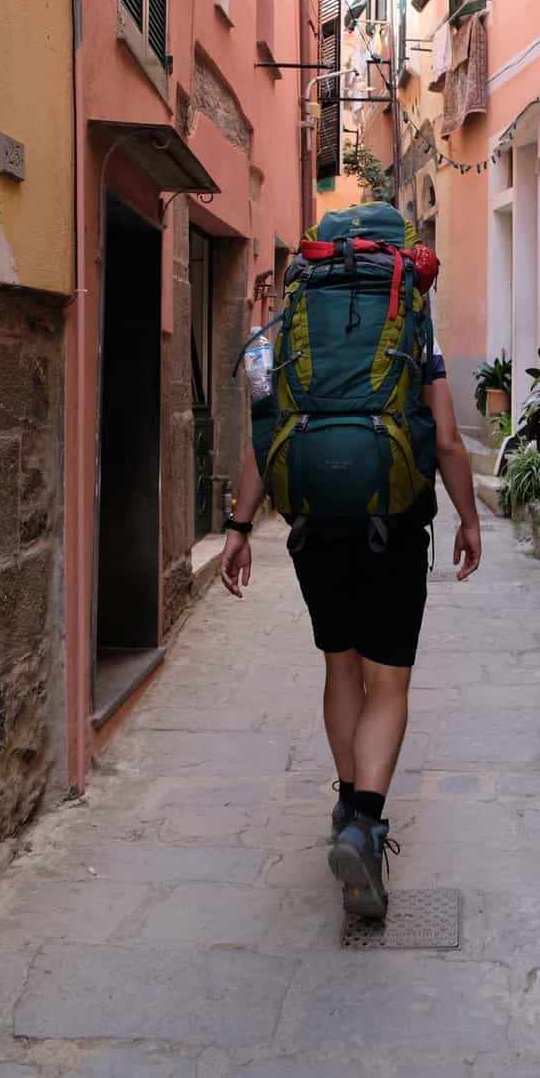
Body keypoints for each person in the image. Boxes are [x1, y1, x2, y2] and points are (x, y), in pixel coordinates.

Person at [219, 336, 481, 918]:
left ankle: (346, 803)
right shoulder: (417, 329)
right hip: (395, 527)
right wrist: (469, 519)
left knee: (340, 663)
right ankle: (364, 823)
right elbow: (446, 441)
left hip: (315, 525)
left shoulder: (277, 332)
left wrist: (238, 526)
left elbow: (263, 439)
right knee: (387, 683)